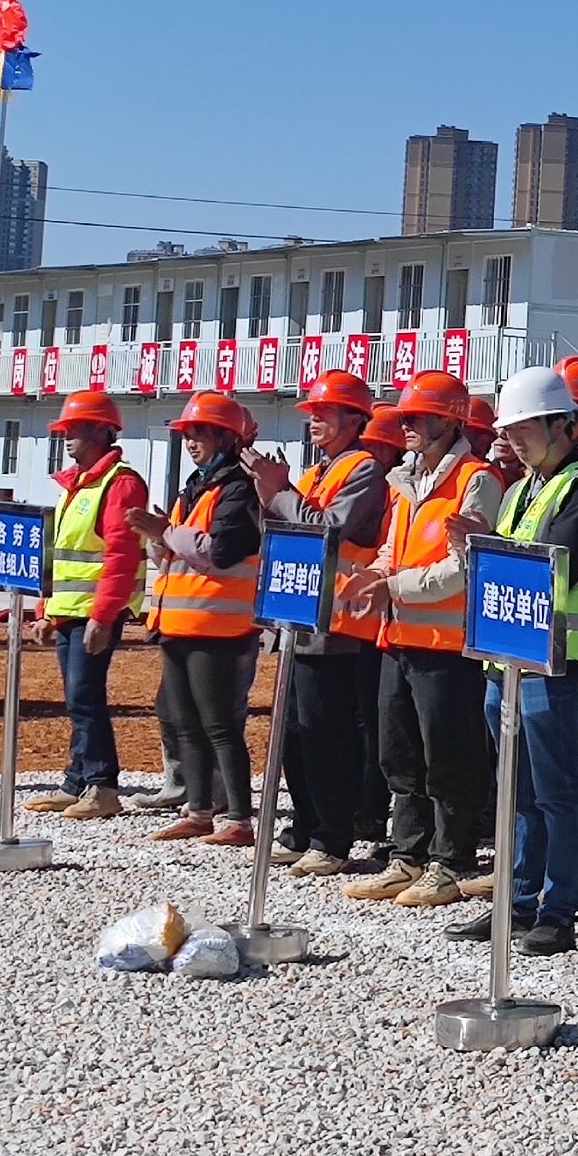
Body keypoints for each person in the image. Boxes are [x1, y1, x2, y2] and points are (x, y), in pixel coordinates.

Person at [446, 366, 578, 955]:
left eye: (524, 428)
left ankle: (558, 910)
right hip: (509, 659)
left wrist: (486, 543)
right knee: (516, 791)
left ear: (561, 425)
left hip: (555, 663)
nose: (513, 440)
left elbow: (557, 561)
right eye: (509, 430)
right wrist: (477, 546)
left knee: (556, 792)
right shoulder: (522, 489)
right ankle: (518, 903)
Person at [341, 373, 506, 906]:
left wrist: (391, 586)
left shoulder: (477, 480)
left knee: (449, 757)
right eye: (406, 417)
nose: (406, 425)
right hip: (400, 639)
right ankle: (407, 855)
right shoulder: (404, 480)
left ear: (449, 423)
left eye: (417, 417)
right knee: (400, 755)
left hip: (447, 646)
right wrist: (374, 576)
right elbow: (394, 548)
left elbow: (463, 567)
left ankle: (451, 860)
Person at [264, 369, 391, 878]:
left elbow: (326, 531)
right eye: (312, 412)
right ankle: (305, 825)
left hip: (337, 622)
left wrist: (278, 492)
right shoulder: (315, 474)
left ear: (354, 419)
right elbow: (282, 531)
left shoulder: (364, 470)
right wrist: (270, 493)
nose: (314, 420)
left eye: (325, 412)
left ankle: (331, 836)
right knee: (294, 731)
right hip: (300, 616)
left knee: (325, 731)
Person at [138, 389, 267, 845]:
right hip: (179, 624)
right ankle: (199, 811)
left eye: (201, 433)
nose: (191, 441)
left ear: (226, 438)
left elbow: (222, 552)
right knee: (186, 722)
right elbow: (174, 553)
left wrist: (167, 532)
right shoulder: (195, 486)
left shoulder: (238, 488)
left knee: (219, 725)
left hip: (218, 627)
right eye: (188, 434)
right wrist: (159, 539)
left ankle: (238, 818)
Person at [26, 387, 147, 818]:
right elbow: (62, 559)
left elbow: (120, 556)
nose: (65, 437)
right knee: (77, 697)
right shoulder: (77, 486)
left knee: (85, 696)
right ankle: (78, 780)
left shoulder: (120, 484)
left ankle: (101, 785)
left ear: (100, 431)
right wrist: (47, 612)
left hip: (94, 613)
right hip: (72, 613)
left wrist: (103, 616)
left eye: (73, 429)